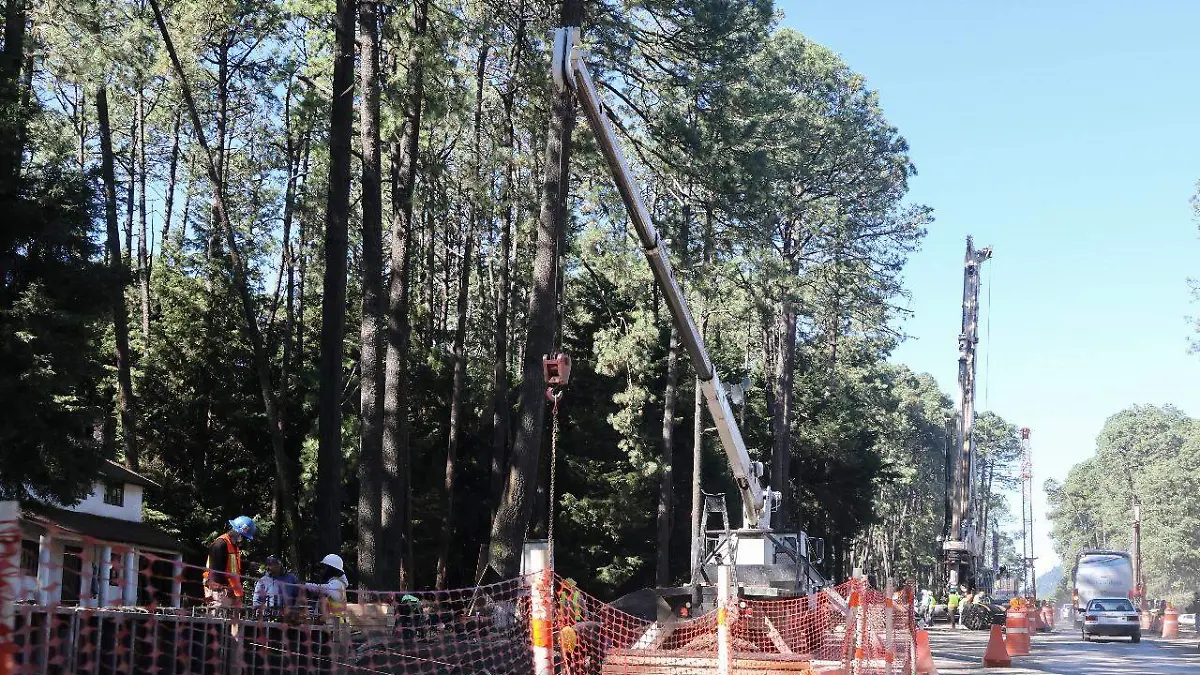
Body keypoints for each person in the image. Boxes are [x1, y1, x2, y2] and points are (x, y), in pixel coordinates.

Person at [204, 515, 257, 607]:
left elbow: (232, 565)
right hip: (220, 590)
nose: (244, 540)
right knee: (218, 618)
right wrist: (223, 588)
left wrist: (248, 565)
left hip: (231, 590)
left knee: (232, 620)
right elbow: (215, 572)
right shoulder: (219, 545)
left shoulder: (233, 545)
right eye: (244, 537)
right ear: (238, 532)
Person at [305, 554, 350, 622]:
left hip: (335, 625)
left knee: (323, 599)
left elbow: (322, 589)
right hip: (333, 623)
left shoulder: (336, 583)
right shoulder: (336, 583)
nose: (321, 571)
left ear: (331, 570)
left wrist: (305, 585)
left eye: (324, 568)